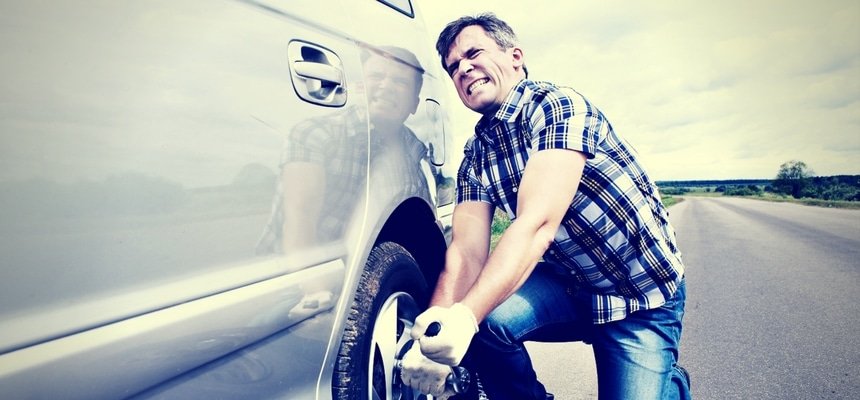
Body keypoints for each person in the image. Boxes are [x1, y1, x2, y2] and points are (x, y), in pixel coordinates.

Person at [400, 13, 691, 400]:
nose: (463, 69)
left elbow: (537, 225)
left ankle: (669, 384)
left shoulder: (558, 107)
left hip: (639, 296)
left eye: (474, 54)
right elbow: (466, 252)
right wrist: (433, 338)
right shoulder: (475, 156)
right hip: (571, 286)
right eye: (453, 68)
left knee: (472, 316)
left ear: (515, 56)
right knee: (482, 324)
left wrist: (465, 316)